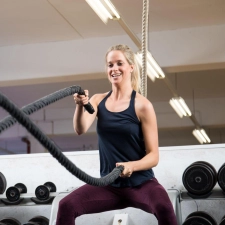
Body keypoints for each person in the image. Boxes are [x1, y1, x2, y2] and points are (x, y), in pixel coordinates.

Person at [55, 44, 178, 225]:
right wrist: (80, 105)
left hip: (141, 184)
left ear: (131, 67)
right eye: (110, 65)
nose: (114, 69)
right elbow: (80, 128)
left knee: (165, 208)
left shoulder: (143, 106)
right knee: (66, 205)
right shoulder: (97, 100)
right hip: (109, 186)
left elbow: (154, 156)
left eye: (119, 63)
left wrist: (132, 166)